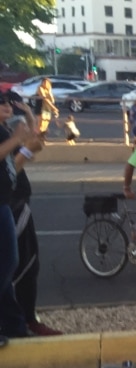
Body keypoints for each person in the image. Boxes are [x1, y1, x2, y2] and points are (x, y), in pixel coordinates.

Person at [0, 93, 46, 344]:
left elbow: (30, 141)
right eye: (2, 103)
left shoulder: (5, 131)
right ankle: (20, 320)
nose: (7, 106)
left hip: (9, 202)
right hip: (9, 204)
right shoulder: (6, 134)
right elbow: (20, 151)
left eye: (9, 103)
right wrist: (22, 143)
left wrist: (28, 114)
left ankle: (16, 324)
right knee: (10, 264)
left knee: (11, 264)